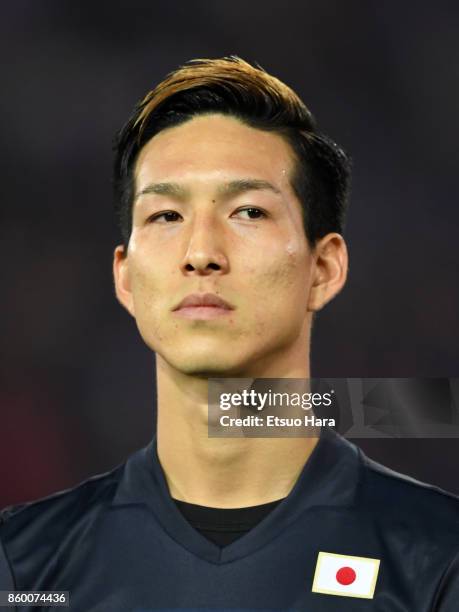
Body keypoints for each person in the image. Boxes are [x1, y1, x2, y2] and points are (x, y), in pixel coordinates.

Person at [1, 56, 458, 611]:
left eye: (247, 212)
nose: (201, 254)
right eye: (166, 216)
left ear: (324, 269)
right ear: (124, 277)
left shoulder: (436, 560)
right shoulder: (22, 564)